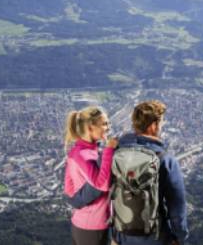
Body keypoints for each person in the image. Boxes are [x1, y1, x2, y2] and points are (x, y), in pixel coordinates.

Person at [112, 100, 189, 245]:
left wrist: (114, 234)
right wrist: (180, 237)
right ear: (153, 126)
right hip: (156, 237)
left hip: (122, 233)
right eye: (161, 123)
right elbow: (177, 207)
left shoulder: (117, 154)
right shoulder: (165, 160)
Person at [64, 106, 119, 245]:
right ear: (90, 127)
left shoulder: (82, 151)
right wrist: (108, 150)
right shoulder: (82, 155)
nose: (108, 127)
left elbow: (69, 189)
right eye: (105, 124)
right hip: (91, 226)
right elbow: (102, 184)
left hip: (89, 223)